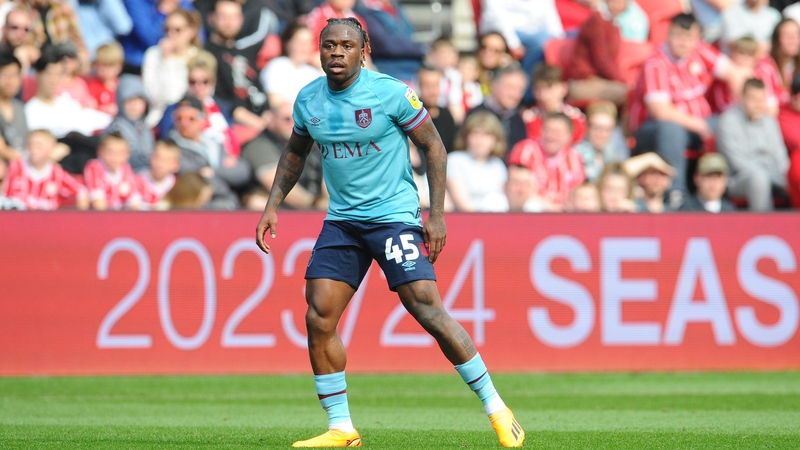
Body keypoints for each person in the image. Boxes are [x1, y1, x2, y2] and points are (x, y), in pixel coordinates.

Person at [255, 18, 525, 448]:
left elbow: (434, 145)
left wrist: (435, 214)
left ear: (363, 51)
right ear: (320, 50)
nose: (336, 53)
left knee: (427, 310)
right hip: (342, 221)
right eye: (329, 45)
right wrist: (272, 205)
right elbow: (295, 152)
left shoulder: (391, 93)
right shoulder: (308, 99)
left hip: (394, 217)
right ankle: (342, 428)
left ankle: (497, 408)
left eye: (346, 45)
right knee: (318, 315)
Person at [629, 13, 745, 199]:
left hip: (700, 124)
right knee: (671, 129)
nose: (684, 43)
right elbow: (660, 111)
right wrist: (700, 126)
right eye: (678, 36)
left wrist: (742, 109)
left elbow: (736, 74)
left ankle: (730, 185)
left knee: (730, 122)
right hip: (655, 129)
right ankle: (676, 194)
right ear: (668, 35)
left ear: (696, 37)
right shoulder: (656, 63)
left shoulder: (698, 51)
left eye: (689, 38)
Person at [717, 78, 789, 210]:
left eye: (761, 99)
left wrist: (785, 177)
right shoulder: (728, 121)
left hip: (774, 175)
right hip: (739, 179)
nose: (757, 104)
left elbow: (781, 157)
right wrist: (770, 176)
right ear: (742, 98)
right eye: (753, 99)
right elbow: (736, 163)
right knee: (759, 179)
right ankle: (764, 228)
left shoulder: (770, 122)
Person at [169, 94, 251, 210]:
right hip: (196, 204)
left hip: (227, 199)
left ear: (202, 119)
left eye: (191, 118)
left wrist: (214, 172)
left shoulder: (214, 143)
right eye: (179, 118)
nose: (184, 123)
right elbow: (191, 176)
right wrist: (223, 171)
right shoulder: (171, 146)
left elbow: (242, 171)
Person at [241, 100, 328, 210]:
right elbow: (279, 184)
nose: (293, 124)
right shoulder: (258, 146)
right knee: (257, 203)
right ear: (272, 120)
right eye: (286, 119)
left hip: (315, 204)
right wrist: (315, 205)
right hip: (279, 207)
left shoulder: (313, 143)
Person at [204, 0, 274, 134]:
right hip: (237, 127)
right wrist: (260, 125)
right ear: (211, 18)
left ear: (241, 20)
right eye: (223, 16)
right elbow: (223, 102)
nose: (229, 22)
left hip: (263, 122)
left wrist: (268, 116)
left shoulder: (244, 52)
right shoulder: (207, 54)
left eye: (234, 17)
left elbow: (259, 89)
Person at [158, 51, 241, 158]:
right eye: (193, 81)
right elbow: (167, 141)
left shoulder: (222, 107)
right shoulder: (175, 109)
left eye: (204, 81)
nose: (198, 87)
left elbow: (231, 136)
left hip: (228, 159)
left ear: (213, 82)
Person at [507, 112, 586, 211]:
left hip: (565, 214)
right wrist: (551, 208)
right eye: (547, 130)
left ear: (569, 136)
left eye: (557, 133)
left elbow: (578, 191)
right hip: (533, 210)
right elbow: (516, 188)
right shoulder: (526, 150)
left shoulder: (575, 158)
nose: (551, 136)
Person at [142, 8, 202, 127]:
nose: (171, 34)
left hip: (192, 119)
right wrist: (166, 61)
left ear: (191, 31)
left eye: (177, 30)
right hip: (158, 120)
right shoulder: (153, 55)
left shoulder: (198, 57)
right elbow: (158, 98)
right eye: (167, 29)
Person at [2, 128, 89, 210]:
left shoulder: (57, 173)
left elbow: (81, 192)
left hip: (46, 223)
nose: (34, 149)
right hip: (17, 222)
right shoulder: (15, 166)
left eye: (39, 145)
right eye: (30, 144)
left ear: (51, 148)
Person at [567, 0, 632, 106]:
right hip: (584, 81)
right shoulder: (597, 21)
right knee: (628, 93)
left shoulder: (614, 25)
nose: (618, 5)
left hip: (601, 82)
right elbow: (601, 59)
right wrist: (623, 80)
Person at [479, 0, 564, 77]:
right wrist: (513, 43)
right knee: (540, 43)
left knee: (570, 38)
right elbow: (495, 15)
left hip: (533, 32)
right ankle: (527, 87)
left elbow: (551, 18)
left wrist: (560, 42)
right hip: (499, 29)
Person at [445, 110, 508, 212]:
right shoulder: (455, 160)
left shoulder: (498, 165)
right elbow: (464, 205)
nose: (480, 140)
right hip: (469, 221)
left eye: (486, 134)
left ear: (495, 139)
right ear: (466, 136)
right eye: (475, 133)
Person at [259, 21, 325, 107]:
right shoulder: (277, 66)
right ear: (288, 44)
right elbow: (275, 102)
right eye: (301, 43)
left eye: (309, 42)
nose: (306, 48)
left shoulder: (314, 72)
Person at [467, 64, 528, 155]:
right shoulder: (476, 114)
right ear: (494, 85)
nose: (514, 94)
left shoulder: (518, 121)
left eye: (519, 89)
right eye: (509, 87)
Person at [522, 64, 587, 145]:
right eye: (538, 89)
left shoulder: (576, 119)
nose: (543, 95)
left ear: (563, 89)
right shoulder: (526, 119)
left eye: (549, 88)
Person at [103, 74, 154, 172]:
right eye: (129, 100)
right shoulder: (116, 128)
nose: (134, 105)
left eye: (139, 101)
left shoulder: (144, 128)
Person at [83, 132, 142, 210]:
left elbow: (135, 201)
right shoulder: (93, 166)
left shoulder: (126, 168)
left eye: (120, 153)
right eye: (110, 152)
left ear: (127, 154)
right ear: (100, 151)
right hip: (100, 219)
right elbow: (98, 203)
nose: (115, 157)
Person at [574, 101, 627, 183]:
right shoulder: (576, 154)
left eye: (607, 129)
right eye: (596, 128)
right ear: (587, 127)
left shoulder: (614, 150)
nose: (601, 134)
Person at [416, 65, 457, 153]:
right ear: (419, 86)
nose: (432, 91)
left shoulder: (446, 116)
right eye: (427, 85)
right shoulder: (413, 115)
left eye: (436, 85)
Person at [135, 139, 181, 209]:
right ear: (151, 157)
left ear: (176, 165)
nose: (161, 164)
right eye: (158, 157)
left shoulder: (176, 186)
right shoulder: (136, 181)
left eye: (167, 160)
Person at [777, 72, 800, 207]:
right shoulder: (783, 113)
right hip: (790, 167)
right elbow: (796, 141)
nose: (797, 97)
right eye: (794, 93)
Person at [0, 54, 28, 161]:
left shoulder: (20, 108)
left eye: (15, 75)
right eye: (4, 74)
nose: (10, 81)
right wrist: (27, 162)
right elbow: (2, 149)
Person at [85, 42, 125, 117]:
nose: (106, 71)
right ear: (96, 65)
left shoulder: (122, 86)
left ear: (119, 66)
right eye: (102, 66)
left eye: (110, 66)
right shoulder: (91, 87)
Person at [0, 6, 40, 74]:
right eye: (15, 27)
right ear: (4, 28)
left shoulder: (33, 59)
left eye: (26, 30)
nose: (20, 34)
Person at [770, 18, 800, 91]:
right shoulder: (767, 67)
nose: (793, 40)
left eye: (797, 34)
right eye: (787, 35)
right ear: (777, 40)